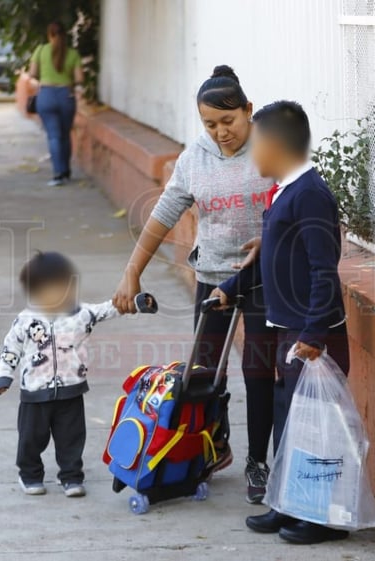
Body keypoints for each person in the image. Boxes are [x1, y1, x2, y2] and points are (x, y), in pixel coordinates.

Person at [112, 66, 276, 505]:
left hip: (262, 276)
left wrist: (274, 239)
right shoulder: (194, 158)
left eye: (229, 122)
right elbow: (163, 215)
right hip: (214, 275)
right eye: (210, 124)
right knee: (203, 374)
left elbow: (298, 204)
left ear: (248, 110)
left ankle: (258, 462)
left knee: (258, 371)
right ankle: (207, 447)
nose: (221, 132)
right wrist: (133, 271)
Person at [211, 101, 351, 545]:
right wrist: (231, 286)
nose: (252, 156)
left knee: (315, 429)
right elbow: (269, 258)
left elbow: (323, 269)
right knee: (289, 420)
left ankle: (323, 518)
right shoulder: (284, 191)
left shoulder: (309, 193)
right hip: (287, 329)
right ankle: (288, 505)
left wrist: (314, 334)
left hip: (311, 335)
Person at [0, 252, 127, 497]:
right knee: (31, 439)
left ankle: (71, 476)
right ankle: (30, 475)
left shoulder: (80, 313)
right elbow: (10, 348)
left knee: (72, 438)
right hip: (34, 393)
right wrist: (4, 375)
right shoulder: (25, 320)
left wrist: (134, 302)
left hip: (71, 389)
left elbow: (108, 309)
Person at [29, 21, 84, 187]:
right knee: (65, 134)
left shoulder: (41, 50)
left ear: (49, 35)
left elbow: (32, 73)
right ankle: (66, 171)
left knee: (53, 135)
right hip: (65, 96)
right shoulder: (73, 54)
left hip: (46, 95)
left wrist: (45, 79)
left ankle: (58, 174)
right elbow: (80, 78)